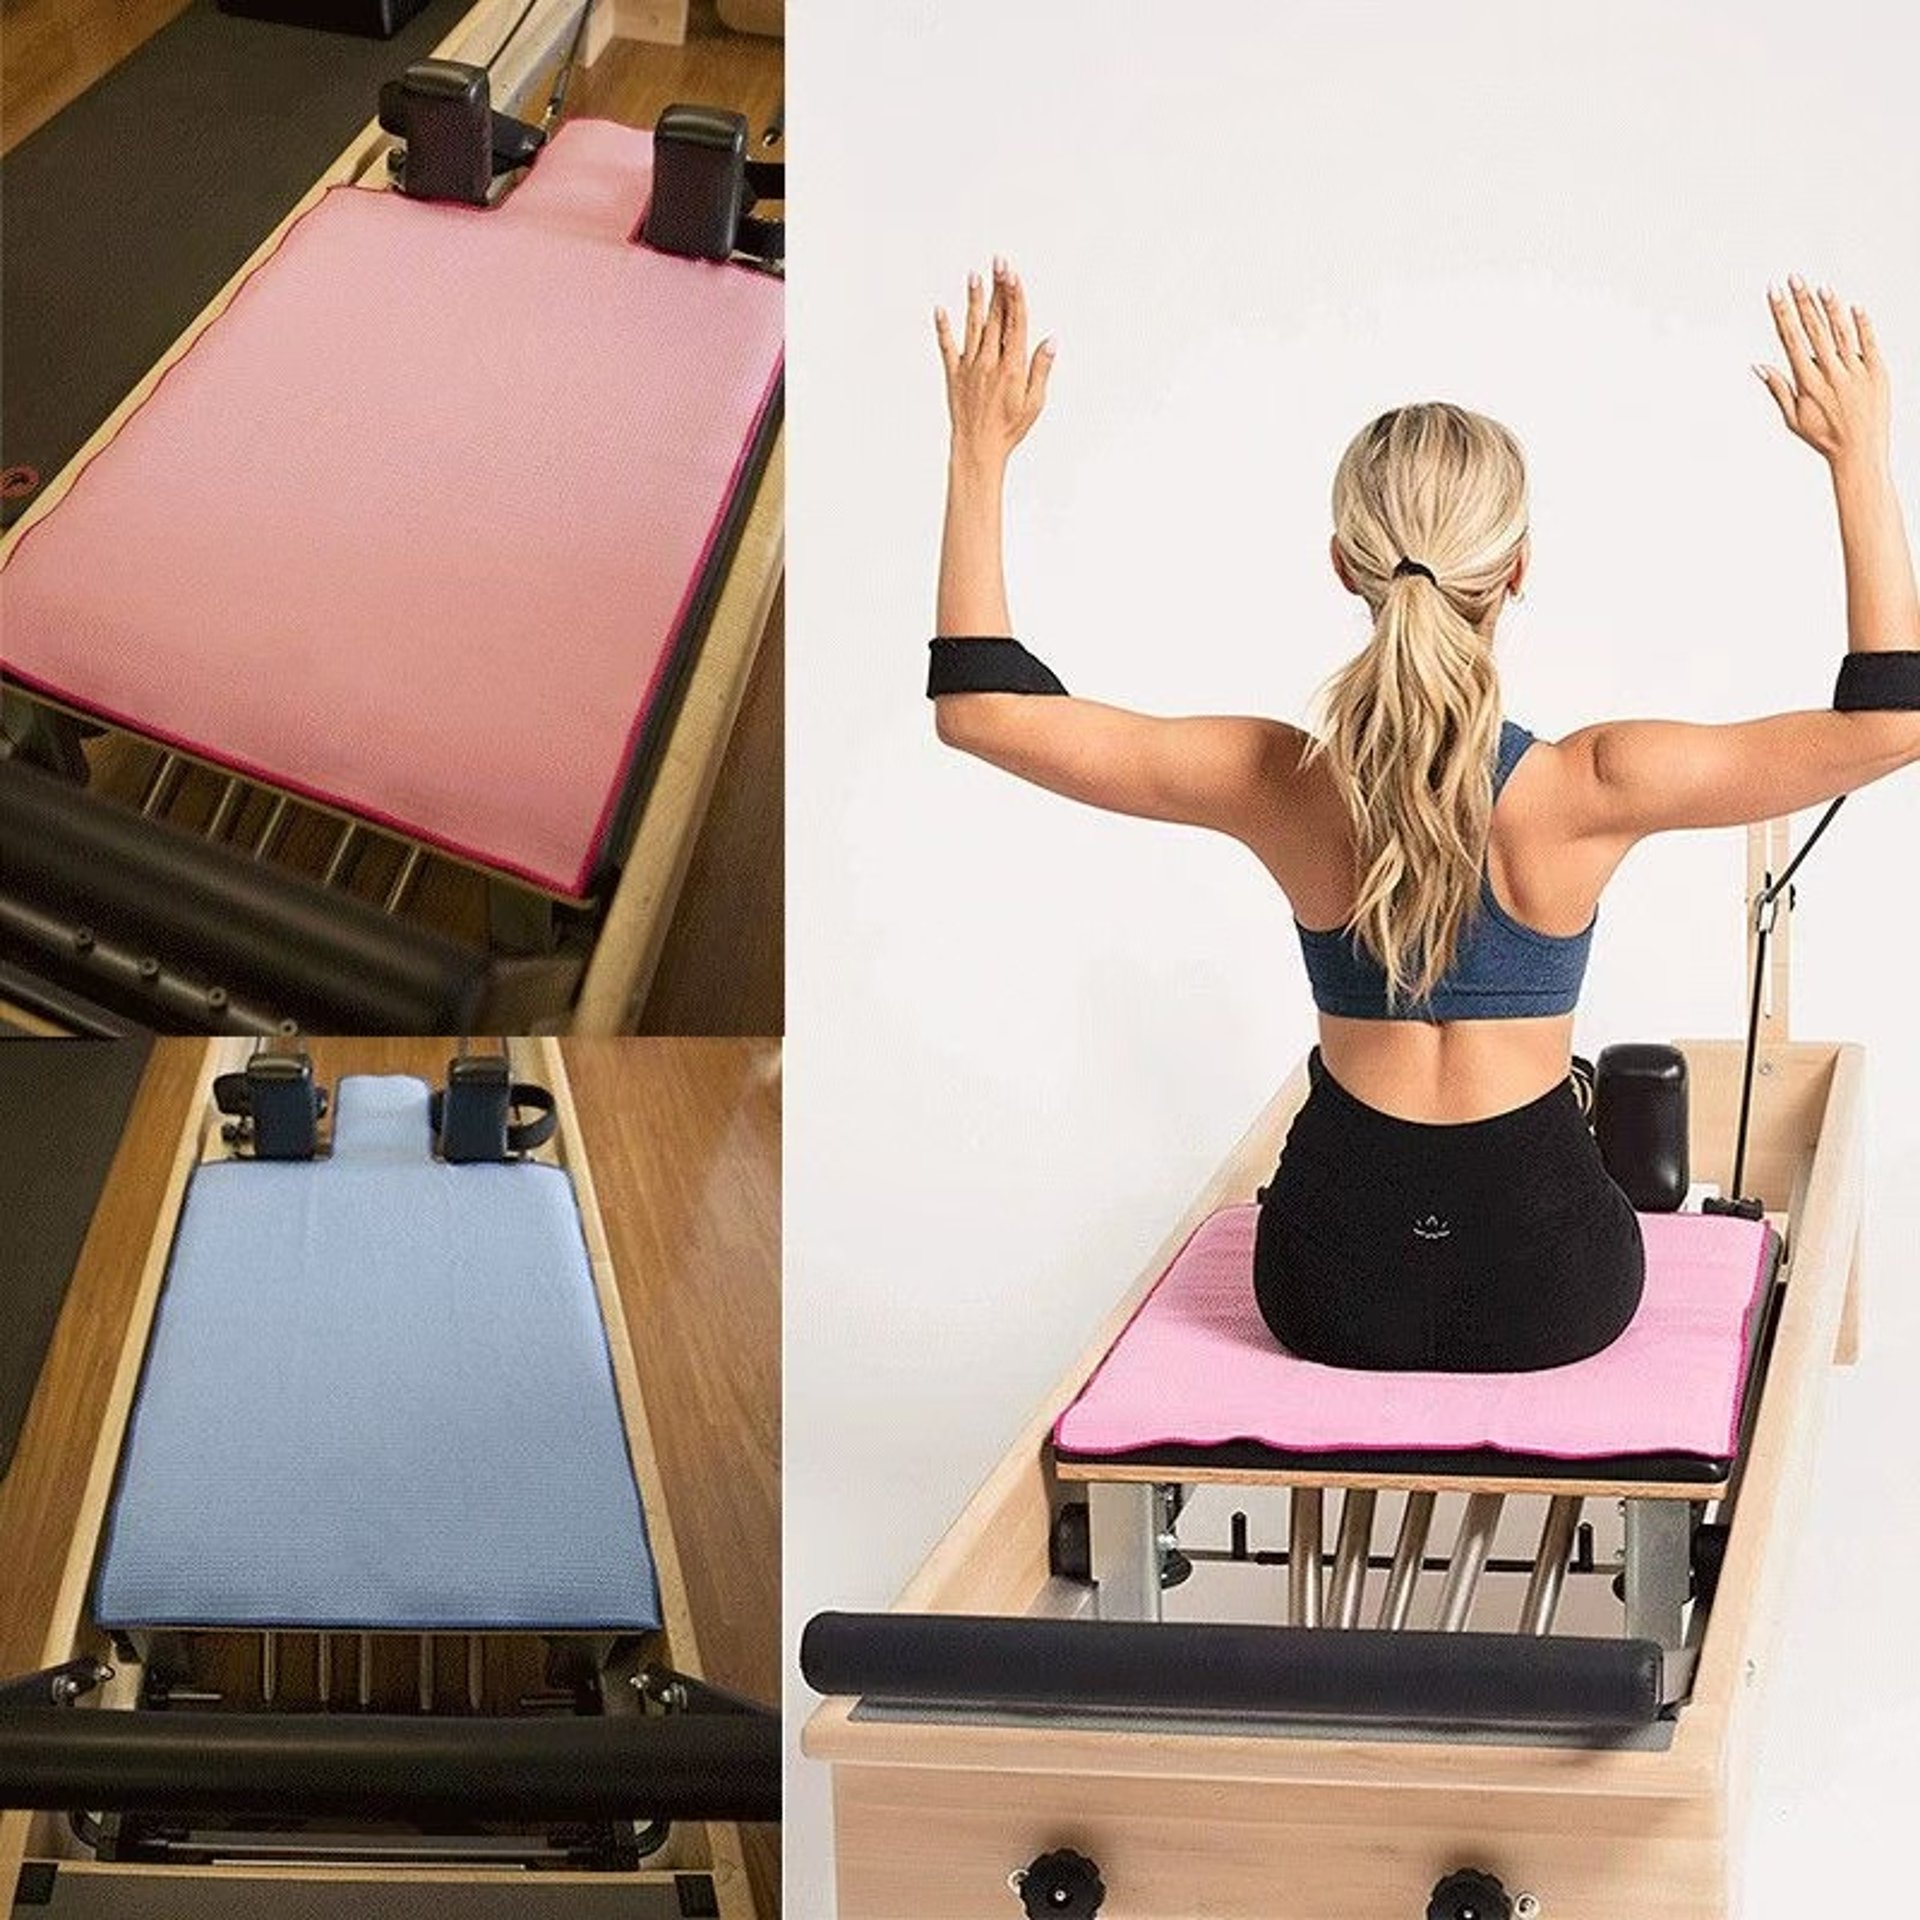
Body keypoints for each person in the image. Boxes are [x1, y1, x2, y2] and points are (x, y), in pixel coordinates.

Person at [928, 261, 1920, 1373]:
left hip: (1324, 1292)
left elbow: (981, 709)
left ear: (1343, 565)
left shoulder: (1276, 781)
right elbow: (1894, 722)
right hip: (1552, 1293)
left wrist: (978, 451)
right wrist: (1858, 458)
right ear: (1519, 569)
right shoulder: (1594, 784)